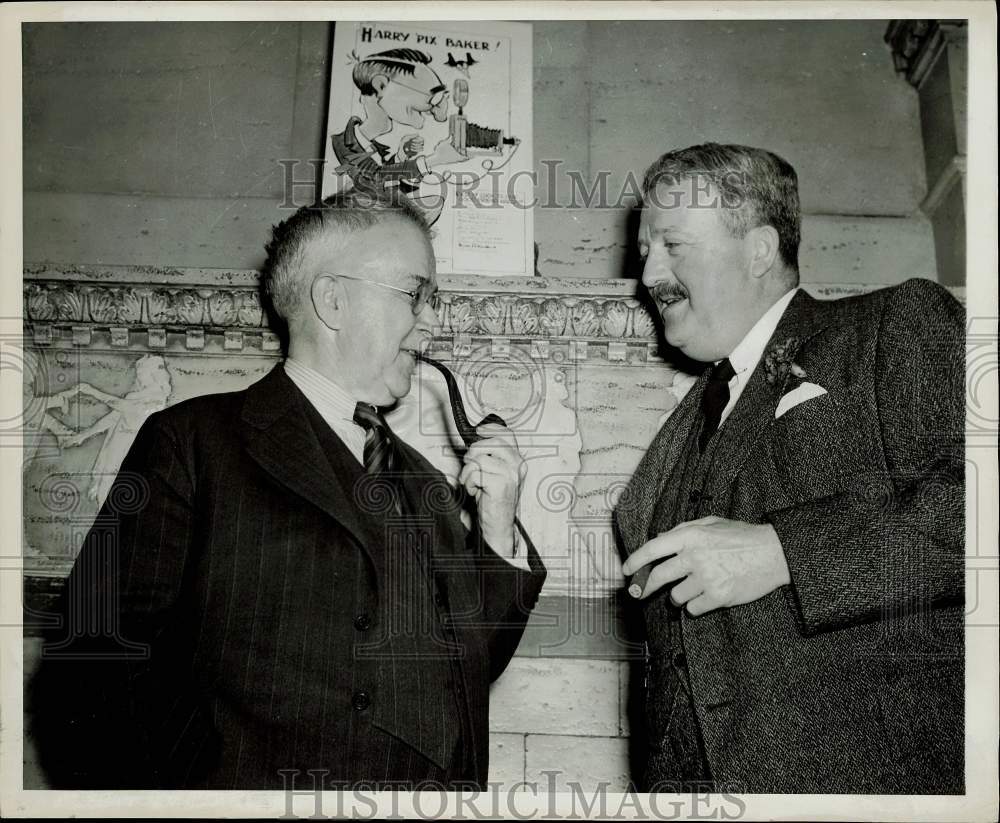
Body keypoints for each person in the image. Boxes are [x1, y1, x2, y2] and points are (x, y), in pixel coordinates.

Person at [33, 191, 546, 790]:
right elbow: (89, 667)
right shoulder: (192, 443)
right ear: (332, 300)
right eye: (415, 294)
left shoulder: (427, 484)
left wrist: (497, 527)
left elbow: (471, 668)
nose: (432, 321)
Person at [616, 143, 964, 794]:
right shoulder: (674, 440)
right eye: (643, 253)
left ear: (758, 250)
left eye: (672, 245)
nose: (650, 274)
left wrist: (782, 551)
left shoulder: (891, 323)